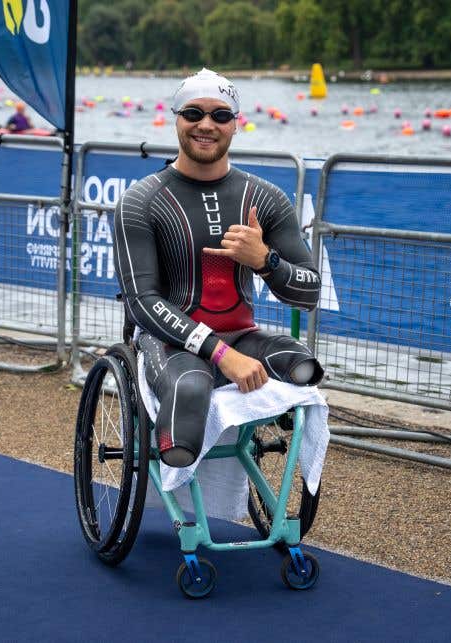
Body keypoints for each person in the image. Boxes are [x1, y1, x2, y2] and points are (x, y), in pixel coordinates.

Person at [113, 68, 324, 468]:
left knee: (303, 367)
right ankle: (184, 515)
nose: (206, 125)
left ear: (235, 125)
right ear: (176, 118)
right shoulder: (139, 201)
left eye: (220, 115)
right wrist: (220, 353)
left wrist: (265, 261)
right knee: (191, 390)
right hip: (169, 342)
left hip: (242, 335)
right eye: (193, 113)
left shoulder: (265, 197)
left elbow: (310, 293)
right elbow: (142, 302)